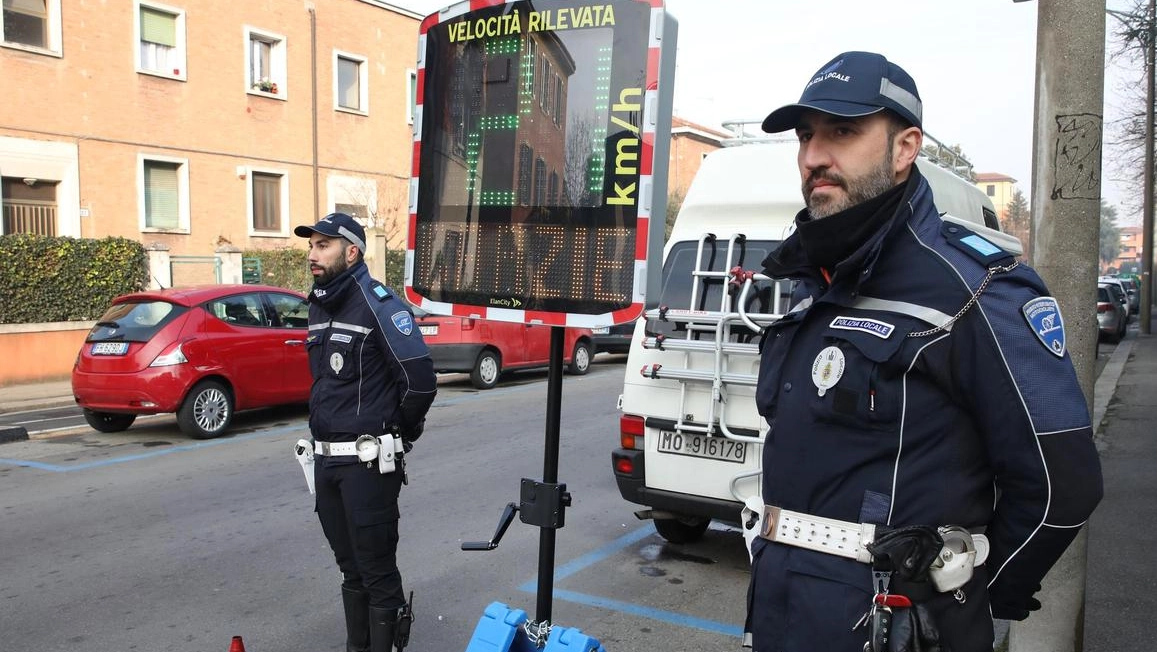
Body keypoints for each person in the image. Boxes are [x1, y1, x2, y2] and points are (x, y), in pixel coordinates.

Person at [743, 52, 1103, 651]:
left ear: (906, 147)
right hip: (787, 617)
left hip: (903, 628)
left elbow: (1060, 482)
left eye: (843, 132)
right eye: (806, 137)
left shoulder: (975, 289)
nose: (813, 157)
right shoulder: (817, 280)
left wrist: (978, 594)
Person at [294, 212, 437, 652]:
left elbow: (419, 381)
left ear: (352, 251)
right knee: (349, 566)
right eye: (312, 246)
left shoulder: (381, 304)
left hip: (367, 462)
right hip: (326, 461)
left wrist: (398, 432)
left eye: (323, 245)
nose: (313, 255)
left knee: (375, 568)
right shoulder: (319, 304)